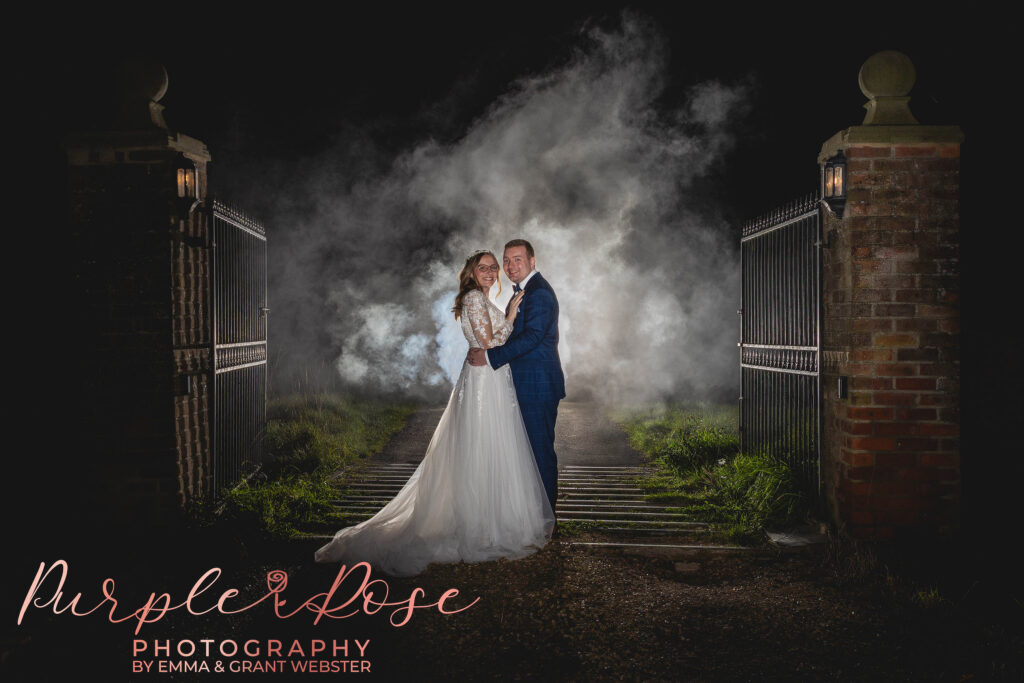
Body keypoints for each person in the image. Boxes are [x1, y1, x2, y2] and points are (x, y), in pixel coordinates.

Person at [314, 250, 555, 577]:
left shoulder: (482, 299)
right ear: (471, 272)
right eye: (482, 267)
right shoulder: (473, 299)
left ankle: (491, 517)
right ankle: (479, 524)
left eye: (492, 268)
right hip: (485, 381)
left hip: (493, 379)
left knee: (494, 446)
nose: (490, 272)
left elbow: (491, 342)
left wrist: (507, 317)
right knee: (481, 444)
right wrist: (511, 318)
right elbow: (486, 342)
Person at [466, 239, 565, 530]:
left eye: (517, 260)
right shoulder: (522, 293)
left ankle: (546, 522)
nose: (510, 266)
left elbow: (533, 337)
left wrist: (490, 356)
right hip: (521, 384)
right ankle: (530, 516)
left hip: (537, 385)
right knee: (525, 454)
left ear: (532, 262)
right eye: (506, 261)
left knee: (539, 453)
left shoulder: (540, 294)